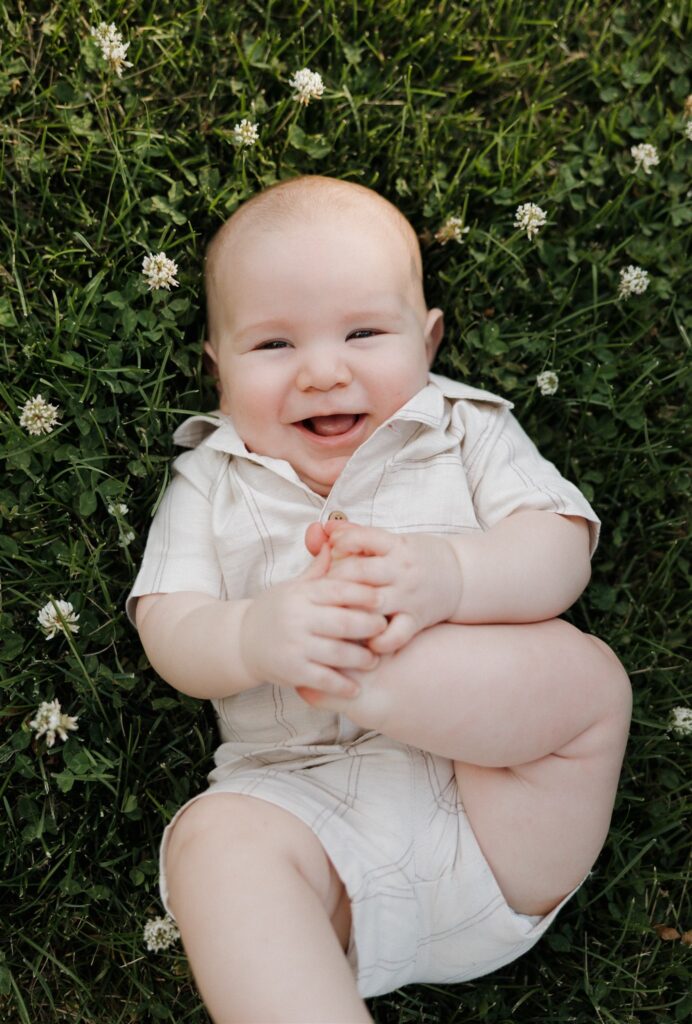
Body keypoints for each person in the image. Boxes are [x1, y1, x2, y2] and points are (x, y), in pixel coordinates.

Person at [127, 174, 632, 1024]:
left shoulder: (462, 426)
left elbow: (561, 546)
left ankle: (362, 677)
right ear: (216, 366)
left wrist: (454, 576)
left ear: (427, 341)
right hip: (311, 823)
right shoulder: (210, 477)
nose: (324, 372)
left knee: (585, 680)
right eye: (274, 347)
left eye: (363, 332)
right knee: (213, 844)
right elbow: (168, 624)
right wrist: (252, 636)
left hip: (500, 810)